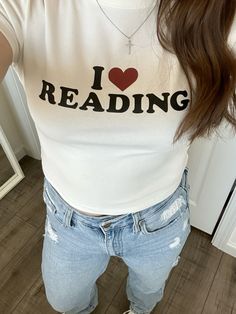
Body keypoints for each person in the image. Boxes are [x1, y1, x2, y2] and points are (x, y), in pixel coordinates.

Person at [0, 1, 235, 313]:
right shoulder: (26, 7)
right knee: (65, 302)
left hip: (159, 218)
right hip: (68, 219)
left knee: (148, 295)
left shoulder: (218, 12)